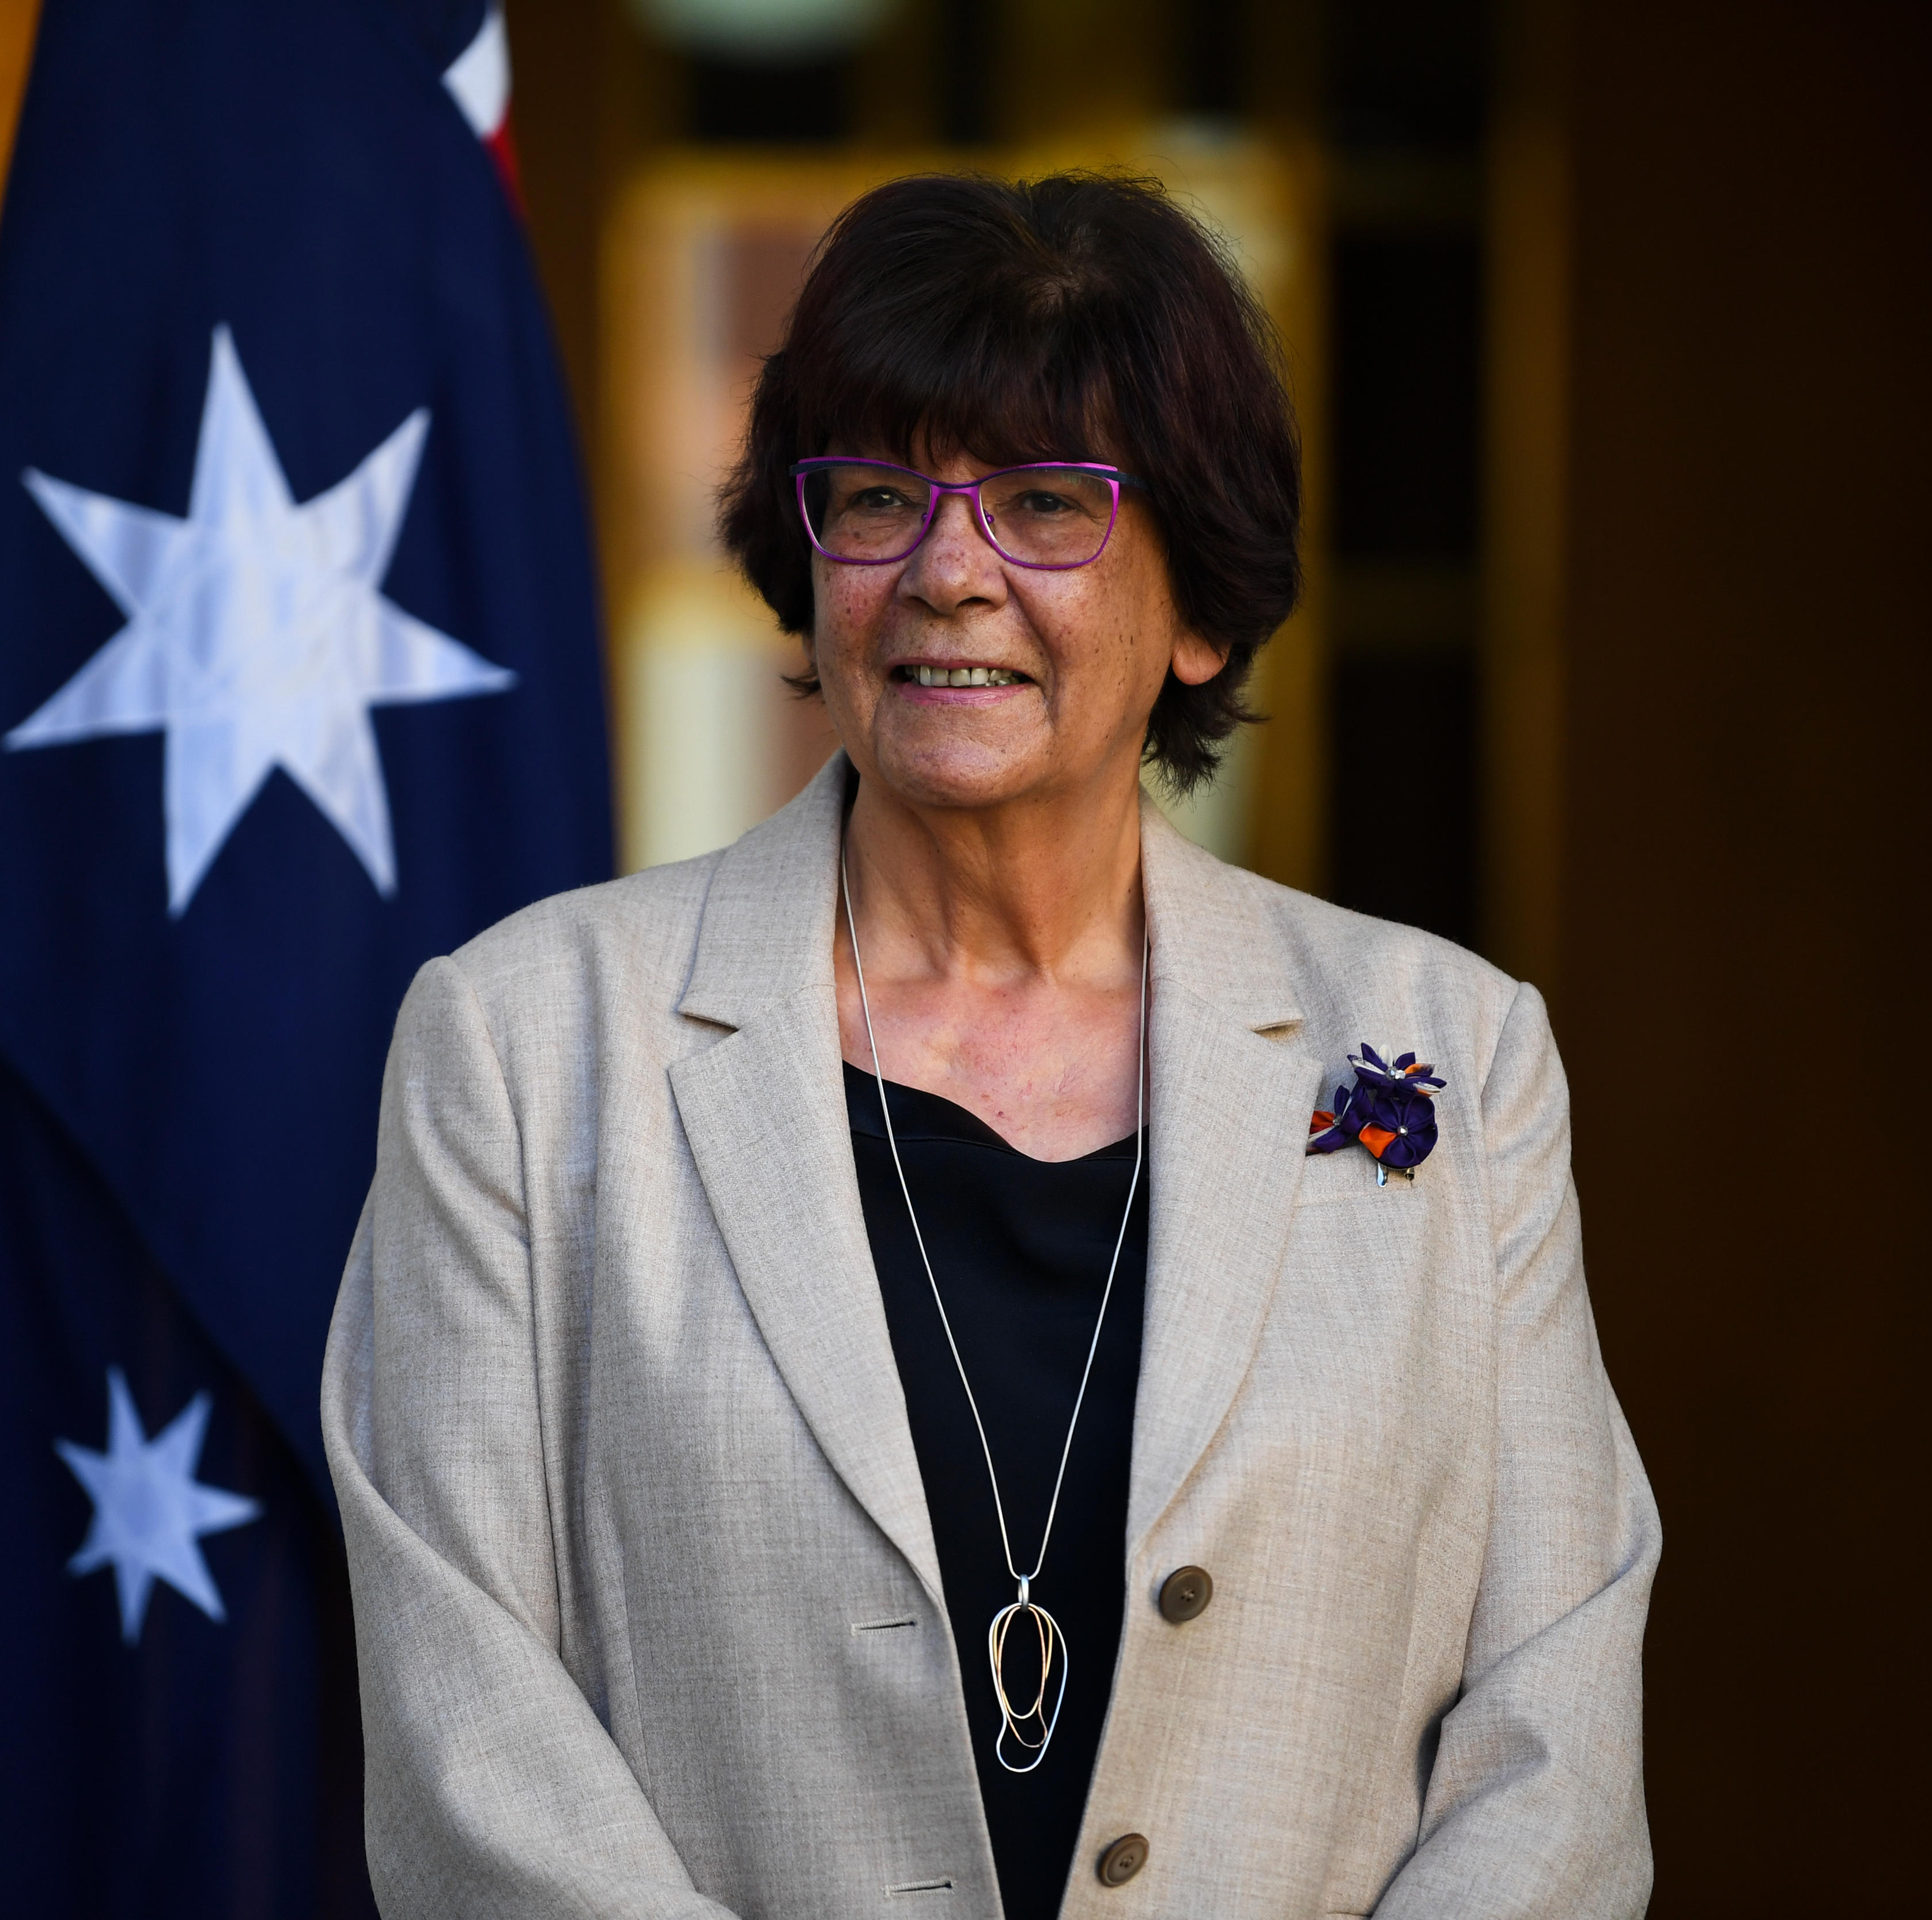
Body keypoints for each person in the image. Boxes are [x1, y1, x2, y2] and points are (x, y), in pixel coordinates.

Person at [320, 171, 1658, 1919]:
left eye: (1047, 504)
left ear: (1202, 610)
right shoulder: (519, 1045)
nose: (949, 572)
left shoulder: (1451, 1057)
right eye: (878, 498)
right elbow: (468, 1750)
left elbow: (1552, 1729)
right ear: (808, 578)